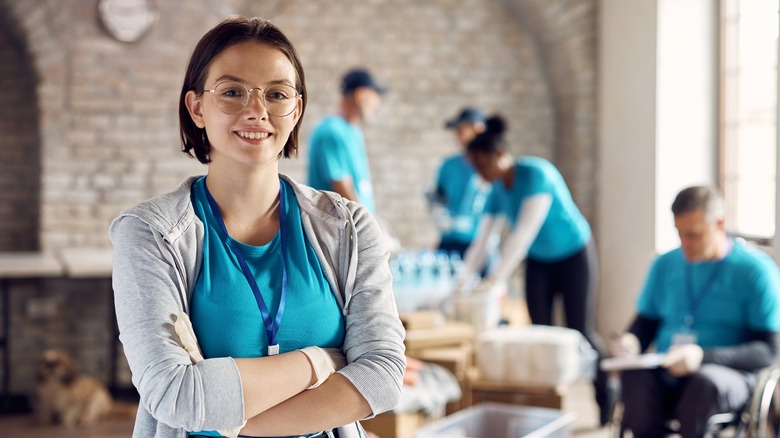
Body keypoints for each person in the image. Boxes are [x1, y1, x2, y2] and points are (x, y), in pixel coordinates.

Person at [109, 16, 405, 438]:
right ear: (196, 107)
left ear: (296, 109)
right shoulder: (148, 233)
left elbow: (383, 375)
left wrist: (236, 423)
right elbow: (175, 395)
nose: (256, 111)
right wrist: (320, 362)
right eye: (232, 92)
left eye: (276, 94)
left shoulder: (348, 228)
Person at [456, 115, 611, 424]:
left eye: (481, 165)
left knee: (581, 328)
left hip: (573, 255)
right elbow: (482, 242)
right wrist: (460, 284)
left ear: (499, 155)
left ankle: (606, 396)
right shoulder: (496, 190)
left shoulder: (537, 174)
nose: (479, 173)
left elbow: (522, 235)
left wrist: (494, 280)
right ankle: (545, 411)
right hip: (540, 261)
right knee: (539, 332)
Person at [609, 185, 780, 438]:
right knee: (635, 378)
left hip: (725, 375)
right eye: (679, 234)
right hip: (667, 366)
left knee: (704, 384)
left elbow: (768, 351)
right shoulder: (665, 264)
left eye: (694, 235)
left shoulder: (755, 272)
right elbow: (645, 324)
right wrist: (630, 341)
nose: (684, 243)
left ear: (720, 224)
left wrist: (703, 356)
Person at [307, 68, 385, 214]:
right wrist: (367, 227)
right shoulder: (332, 131)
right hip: (339, 230)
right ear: (360, 95)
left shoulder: (352, 130)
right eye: (375, 95)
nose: (377, 103)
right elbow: (341, 186)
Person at [429, 107, 492, 259]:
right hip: (450, 241)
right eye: (457, 131)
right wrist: (439, 213)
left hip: (481, 242)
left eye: (462, 130)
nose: (458, 136)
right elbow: (438, 196)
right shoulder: (448, 165)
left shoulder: (491, 166)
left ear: (479, 129)